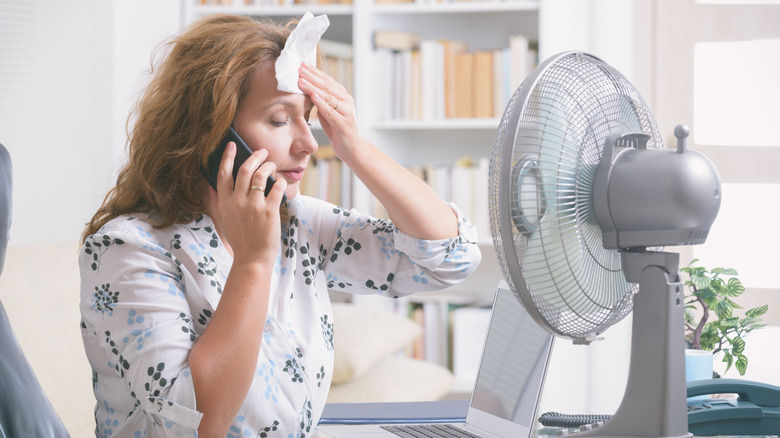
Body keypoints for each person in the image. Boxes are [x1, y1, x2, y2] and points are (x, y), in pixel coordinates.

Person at [79, 14, 481, 438]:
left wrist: (355, 150)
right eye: (278, 120)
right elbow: (196, 425)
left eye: (307, 119)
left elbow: (450, 258)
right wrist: (254, 261)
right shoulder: (126, 250)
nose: (309, 144)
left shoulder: (297, 223)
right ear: (212, 137)